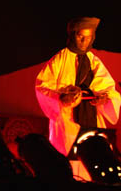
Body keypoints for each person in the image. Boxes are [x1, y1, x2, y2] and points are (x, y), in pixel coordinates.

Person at [35, 16, 121, 181]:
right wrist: (61, 98)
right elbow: (42, 87)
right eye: (81, 36)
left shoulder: (94, 61)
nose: (84, 40)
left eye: (88, 37)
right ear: (73, 35)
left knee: (95, 160)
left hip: (92, 120)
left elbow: (111, 91)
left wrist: (104, 99)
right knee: (67, 162)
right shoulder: (59, 59)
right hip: (68, 121)